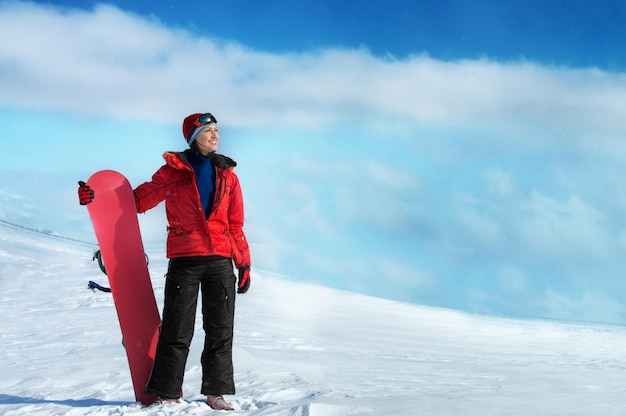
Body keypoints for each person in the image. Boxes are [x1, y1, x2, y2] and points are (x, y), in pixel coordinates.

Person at [78, 112, 251, 411]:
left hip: (221, 260)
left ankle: (216, 392)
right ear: (193, 137)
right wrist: (97, 197)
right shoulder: (172, 173)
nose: (215, 135)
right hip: (186, 259)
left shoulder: (228, 176)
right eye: (208, 130)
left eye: (216, 130)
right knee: (176, 329)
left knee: (221, 329)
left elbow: (235, 225)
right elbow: (137, 201)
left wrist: (244, 264)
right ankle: (169, 392)